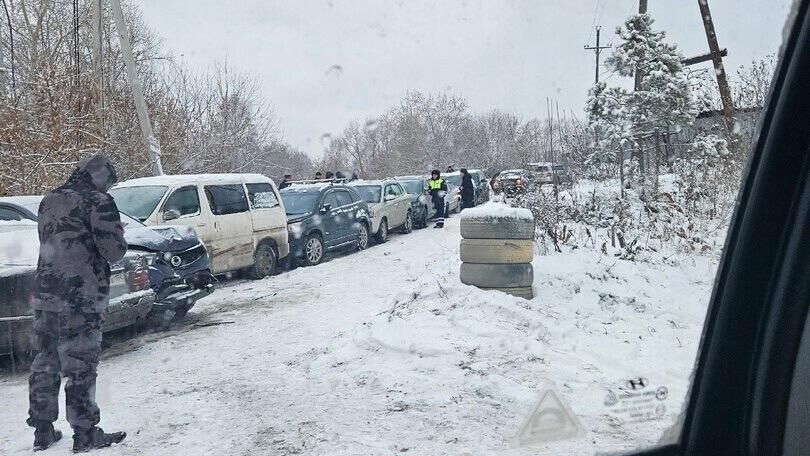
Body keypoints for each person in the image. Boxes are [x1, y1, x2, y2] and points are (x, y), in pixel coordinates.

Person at [27, 155, 128, 452]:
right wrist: (118, 234)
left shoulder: (49, 200)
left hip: (45, 295)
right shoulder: (99, 201)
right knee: (80, 365)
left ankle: (42, 432)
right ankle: (85, 435)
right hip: (80, 298)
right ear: (102, 178)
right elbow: (114, 252)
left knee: (45, 362)